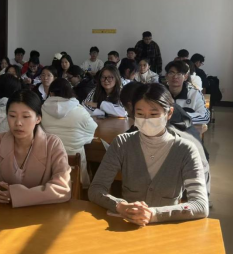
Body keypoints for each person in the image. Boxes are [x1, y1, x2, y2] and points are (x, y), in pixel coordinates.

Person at [88, 84, 209, 225]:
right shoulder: (122, 143)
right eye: (140, 114)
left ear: (169, 113)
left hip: (167, 228)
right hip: (129, 225)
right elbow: (96, 189)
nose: (146, 120)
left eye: (153, 114)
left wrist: (153, 214)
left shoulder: (185, 150)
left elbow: (200, 205)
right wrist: (120, 205)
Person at [0, 90, 72, 208]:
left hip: (41, 212)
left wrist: (17, 196)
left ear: (38, 119)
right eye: (12, 116)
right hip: (1, 211)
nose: (18, 123)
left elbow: (63, 188)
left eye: (26, 116)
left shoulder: (52, 144)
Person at [120, 82, 211, 193]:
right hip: (200, 178)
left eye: (127, 111)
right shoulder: (165, 108)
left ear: (131, 105)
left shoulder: (162, 122)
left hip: (186, 189)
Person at [41, 79, 98, 188]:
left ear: (51, 93)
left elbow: (40, 133)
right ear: (70, 92)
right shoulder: (79, 110)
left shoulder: (42, 110)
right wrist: (79, 139)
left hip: (50, 162)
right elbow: (92, 129)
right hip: (75, 164)